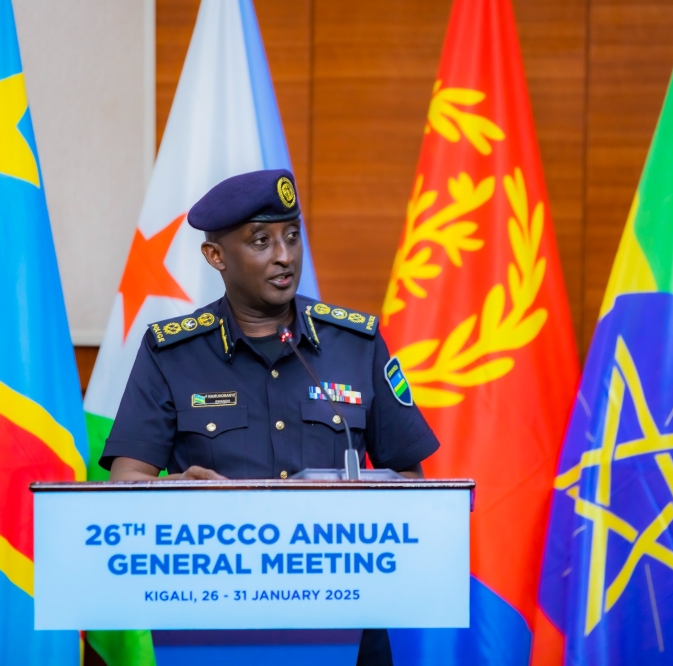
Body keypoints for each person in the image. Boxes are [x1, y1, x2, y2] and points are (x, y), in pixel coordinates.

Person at [99, 168, 440, 665]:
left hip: (344, 620)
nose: (285, 256)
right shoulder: (170, 353)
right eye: (261, 241)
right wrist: (172, 491)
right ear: (215, 256)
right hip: (211, 620)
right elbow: (125, 481)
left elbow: (412, 477)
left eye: (292, 236)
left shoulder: (354, 346)